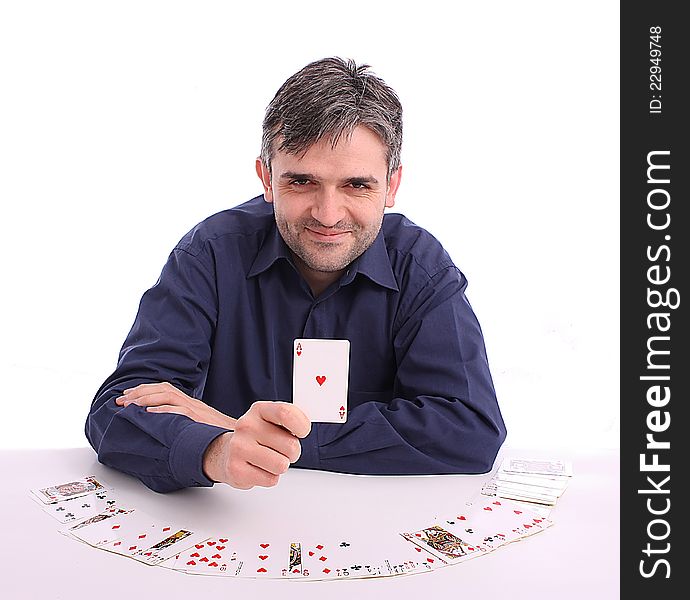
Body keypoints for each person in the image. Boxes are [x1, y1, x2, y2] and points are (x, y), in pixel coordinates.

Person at [85, 57, 507, 494]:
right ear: (267, 179)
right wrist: (218, 452)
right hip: (230, 524)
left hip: (363, 527)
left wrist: (245, 433)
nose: (328, 215)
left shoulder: (421, 267)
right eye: (302, 182)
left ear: (392, 186)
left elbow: (470, 430)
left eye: (357, 185)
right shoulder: (210, 254)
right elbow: (116, 412)